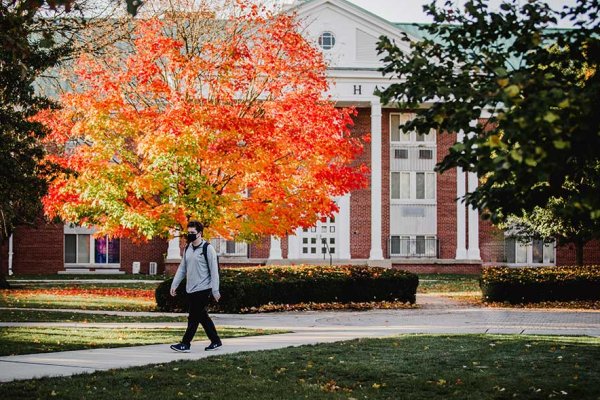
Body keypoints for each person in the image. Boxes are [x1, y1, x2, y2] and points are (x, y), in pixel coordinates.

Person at [169, 221, 222, 352]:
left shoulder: (207, 249)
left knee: (193, 317)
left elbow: (214, 271)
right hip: (190, 288)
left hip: (203, 288)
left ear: (200, 233)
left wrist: (215, 290)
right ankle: (216, 341)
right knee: (202, 316)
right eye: (189, 233)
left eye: (193, 233)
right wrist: (174, 284)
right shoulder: (188, 248)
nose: (190, 235)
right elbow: (182, 268)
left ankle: (185, 344)